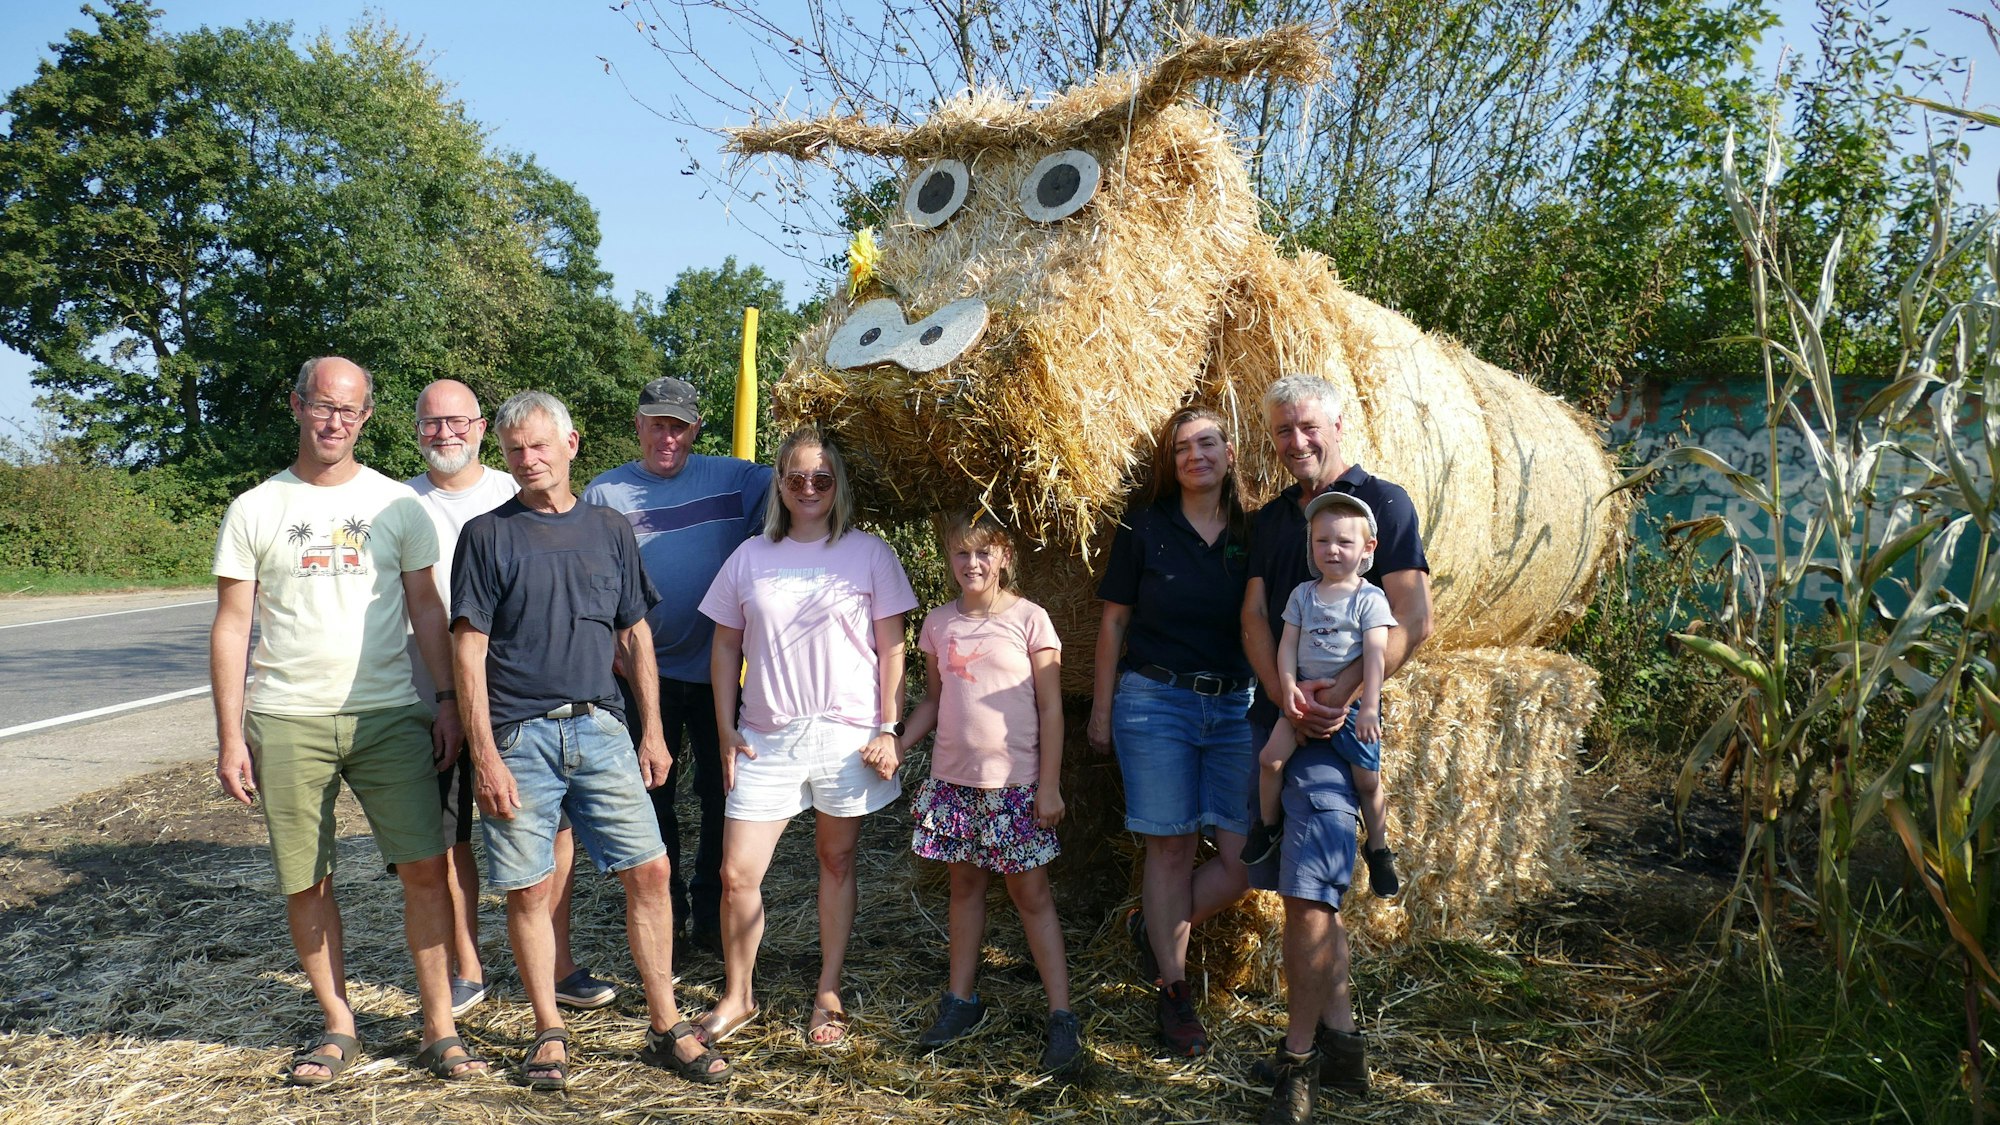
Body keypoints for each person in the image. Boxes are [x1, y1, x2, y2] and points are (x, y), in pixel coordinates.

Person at [210, 355, 486, 1085]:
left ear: (367, 417)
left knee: (426, 868)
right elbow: (233, 626)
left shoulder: (399, 505)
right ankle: (338, 1022)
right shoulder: (255, 507)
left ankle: (438, 1024)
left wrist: (449, 701)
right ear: (296, 405)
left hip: (390, 713)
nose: (336, 420)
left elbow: (429, 609)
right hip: (287, 716)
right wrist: (231, 734)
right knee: (308, 878)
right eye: (323, 406)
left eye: (351, 409)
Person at [452, 391, 730, 1091]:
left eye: (540, 445)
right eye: (515, 450)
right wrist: (484, 754)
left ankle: (666, 1024)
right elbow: (468, 649)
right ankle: (549, 1027)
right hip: (519, 734)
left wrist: (654, 729)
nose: (528, 459)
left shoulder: (610, 529)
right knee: (528, 885)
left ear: (571, 444)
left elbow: (635, 633)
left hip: (602, 725)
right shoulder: (487, 535)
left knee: (652, 869)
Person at [1239, 374, 1433, 1121]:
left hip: (1340, 729)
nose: (1297, 441)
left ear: (1339, 424)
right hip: (1282, 718)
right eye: (1284, 430)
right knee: (1308, 892)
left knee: (1306, 895)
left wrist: (1341, 695)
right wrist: (1287, 693)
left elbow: (1412, 614)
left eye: (1309, 426)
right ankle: (1345, 1045)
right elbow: (1256, 617)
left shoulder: (1382, 503)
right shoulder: (1270, 520)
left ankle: (1296, 1065)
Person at [695, 425, 916, 1049]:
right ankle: (739, 996)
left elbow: (892, 647)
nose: (810, 488)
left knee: (836, 860)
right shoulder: (749, 557)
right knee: (737, 874)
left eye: (822, 478)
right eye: (797, 478)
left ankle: (828, 991)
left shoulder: (869, 553)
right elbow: (724, 645)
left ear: (837, 485)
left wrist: (887, 726)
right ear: (781, 486)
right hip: (766, 736)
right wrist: (724, 727)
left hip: (845, 734)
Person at [584, 375, 772, 956]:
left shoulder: (738, 480)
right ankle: (666, 914)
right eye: (656, 424)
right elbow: (590, 586)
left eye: (679, 426)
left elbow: (810, 477)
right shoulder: (604, 495)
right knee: (651, 792)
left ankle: (714, 911)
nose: (667, 437)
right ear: (637, 426)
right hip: (642, 675)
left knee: (724, 792)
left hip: (720, 671)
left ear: (696, 429)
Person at [1088, 406, 1255, 1057]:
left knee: (1245, 862)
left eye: (1207, 442)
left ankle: (1149, 924)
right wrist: (1102, 709)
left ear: (1229, 452)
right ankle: (1175, 991)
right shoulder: (1146, 525)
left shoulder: (1253, 531)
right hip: (1155, 702)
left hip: (1235, 706)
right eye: (1183, 447)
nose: (1195, 455)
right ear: (1171, 461)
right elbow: (1111, 623)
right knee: (1173, 849)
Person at [897, 511, 1080, 1073]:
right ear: (949, 559)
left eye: (984, 552)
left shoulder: (1030, 620)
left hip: (1016, 787)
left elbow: (1051, 708)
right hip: (955, 785)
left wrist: (1048, 786)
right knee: (965, 889)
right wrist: (899, 744)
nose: (972, 564)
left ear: (1003, 555)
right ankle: (961, 1000)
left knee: (1032, 897)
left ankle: (1062, 1017)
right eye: (960, 553)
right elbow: (932, 700)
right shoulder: (939, 624)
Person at [1240, 492, 1395, 877]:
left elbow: (1376, 655)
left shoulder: (1369, 599)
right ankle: (1269, 827)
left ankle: (1378, 848)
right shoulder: (1302, 595)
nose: (1332, 550)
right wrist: (1288, 687)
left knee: (1367, 782)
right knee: (1268, 761)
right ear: (1310, 544)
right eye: (1322, 541)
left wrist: (1370, 706)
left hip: (1354, 706)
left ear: (1366, 548)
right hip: (1303, 698)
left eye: (1344, 542)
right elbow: (1287, 644)